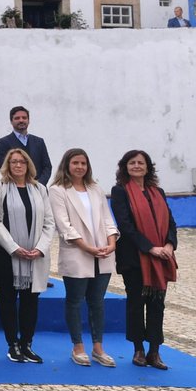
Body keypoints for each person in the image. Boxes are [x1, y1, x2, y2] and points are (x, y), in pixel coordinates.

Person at [47, 148, 118, 367]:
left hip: (102, 253)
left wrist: (111, 243)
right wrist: (87, 247)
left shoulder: (95, 188)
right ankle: (77, 346)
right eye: (75, 163)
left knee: (97, 302)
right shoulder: (58, 190)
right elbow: (64, 225)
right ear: (67, 165)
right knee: (75, 301)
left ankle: (98, 347)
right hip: (78, 252)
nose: (79, 167)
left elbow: (108, 219)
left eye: (83, 163)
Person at [111, 148, 178, 371]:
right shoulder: (120, 191)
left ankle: (155, 351)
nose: (137, 166)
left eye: (141, 162)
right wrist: (150, 248)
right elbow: (125, 225)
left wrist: (169, 245)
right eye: (132, 163)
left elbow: (170, 222)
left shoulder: (157, 192)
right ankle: (138, 349)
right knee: (136, 303)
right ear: (125, 167)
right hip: (135, 257)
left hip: (161, 259)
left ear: (148, 167)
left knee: (158, 305)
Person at [0, 148, 54, 363]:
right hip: (8, 255)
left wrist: (41, 248)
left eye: (22, 162)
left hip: (34, 255)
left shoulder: (40, 189)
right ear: (7, 165)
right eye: (14, 162)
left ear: (28, 165)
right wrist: (13, 247)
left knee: (30, 300)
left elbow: (49, 222)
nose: (18, 165)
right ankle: (12, 344)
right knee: (7, 300)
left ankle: (27, 343)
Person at [0, 105, 52, 185]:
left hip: (39, 190)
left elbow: (47, 167)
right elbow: (4, 168)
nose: (21, 120)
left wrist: (38, 185)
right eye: (17, 118)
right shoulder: (3, 143)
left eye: (24, 118)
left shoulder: (39, 142)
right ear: (11, 121)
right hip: (15, 189)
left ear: (28, 121)